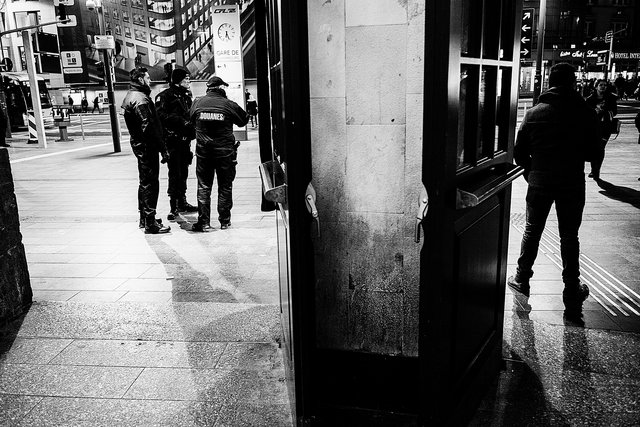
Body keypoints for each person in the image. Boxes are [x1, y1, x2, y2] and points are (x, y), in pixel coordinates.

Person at [508, 63, 599, 311]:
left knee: (532, 230)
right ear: (572, 83)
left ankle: (522, 278)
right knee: (570, 236)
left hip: (539, 181)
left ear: (550, 82)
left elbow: (519, 153)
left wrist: (532, 174)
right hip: (571, 182)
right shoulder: (585, 113)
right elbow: (594, 152)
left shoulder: (534, 113)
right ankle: (571, 288)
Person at [189, 75, 249, 231]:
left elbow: (190, 120)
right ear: (221, 88)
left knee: (203, 186)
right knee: (225, 186)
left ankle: (204, 222)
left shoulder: (197, 102)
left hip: (203, 153)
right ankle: (224, 221)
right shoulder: (228, 104)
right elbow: (243, 120)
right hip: (225, 153)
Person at [121, 66, 171, 234]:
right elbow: (148, 126)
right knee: (151, 183)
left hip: (138, 144)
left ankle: (144, 217)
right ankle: (150, 222)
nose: (150, 81)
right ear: (141, 80)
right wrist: (162, 148)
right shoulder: (141, 99)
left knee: (144, 182)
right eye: (148, 78)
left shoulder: (131, 95)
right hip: (147, 146)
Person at [155, 67, 198, 221]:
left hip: (185, 142)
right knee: (175, 174)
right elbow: (160, 116)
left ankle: (182, 202)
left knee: (184, 173)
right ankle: (173, 206)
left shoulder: (186, 96)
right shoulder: (165, 96)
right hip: (172, 141)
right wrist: (180, 121)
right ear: (178, 80)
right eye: (186, 79)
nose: (189, 81)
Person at [585, 79, 618, 180]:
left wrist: (605, 111)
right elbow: (586, 114)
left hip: (605, 127)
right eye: (600, 85)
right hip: (593, 127)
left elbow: (614, 111)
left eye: (605, 85)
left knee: (601, 148)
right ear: (596, 86)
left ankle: (596, 170)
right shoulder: (590, 99)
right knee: (594, 148)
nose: (603, 87)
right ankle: (593, 169)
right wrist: (595, 111)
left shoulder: (611, 98)